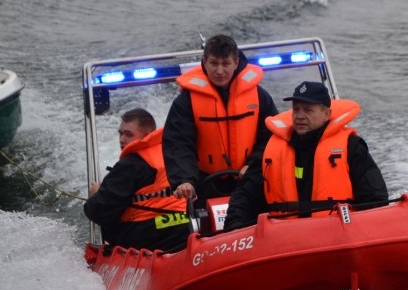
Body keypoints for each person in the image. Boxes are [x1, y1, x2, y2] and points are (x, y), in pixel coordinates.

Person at [223, 81, 388, 230]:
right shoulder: (272, 150)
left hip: (337, 237)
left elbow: (375, 199)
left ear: (326, 114)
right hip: (283, 242)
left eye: (308, 110)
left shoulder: (351, 146)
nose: (300, 116)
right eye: (296, 109)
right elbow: (244, 198)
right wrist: (235, 230)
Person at [162, 34, 279, 203]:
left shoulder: (260, 96)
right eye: (214, 63)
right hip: (205, 184)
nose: (219, 71)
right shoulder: (185, 102)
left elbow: (270, 137)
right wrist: (185, 180)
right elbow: (178, 144)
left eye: (225, 64)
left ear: (236, 63)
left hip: (249, 179)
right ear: (204, 62)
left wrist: (253, 165)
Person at [84, 108, 190, 252]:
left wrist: (95, 196)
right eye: (120, 134)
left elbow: (99, 211)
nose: (122, 139)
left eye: (128, 134)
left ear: (147, 135)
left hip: (144, 239)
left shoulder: (131, 165)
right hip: (183, 230)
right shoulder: (175, 153)